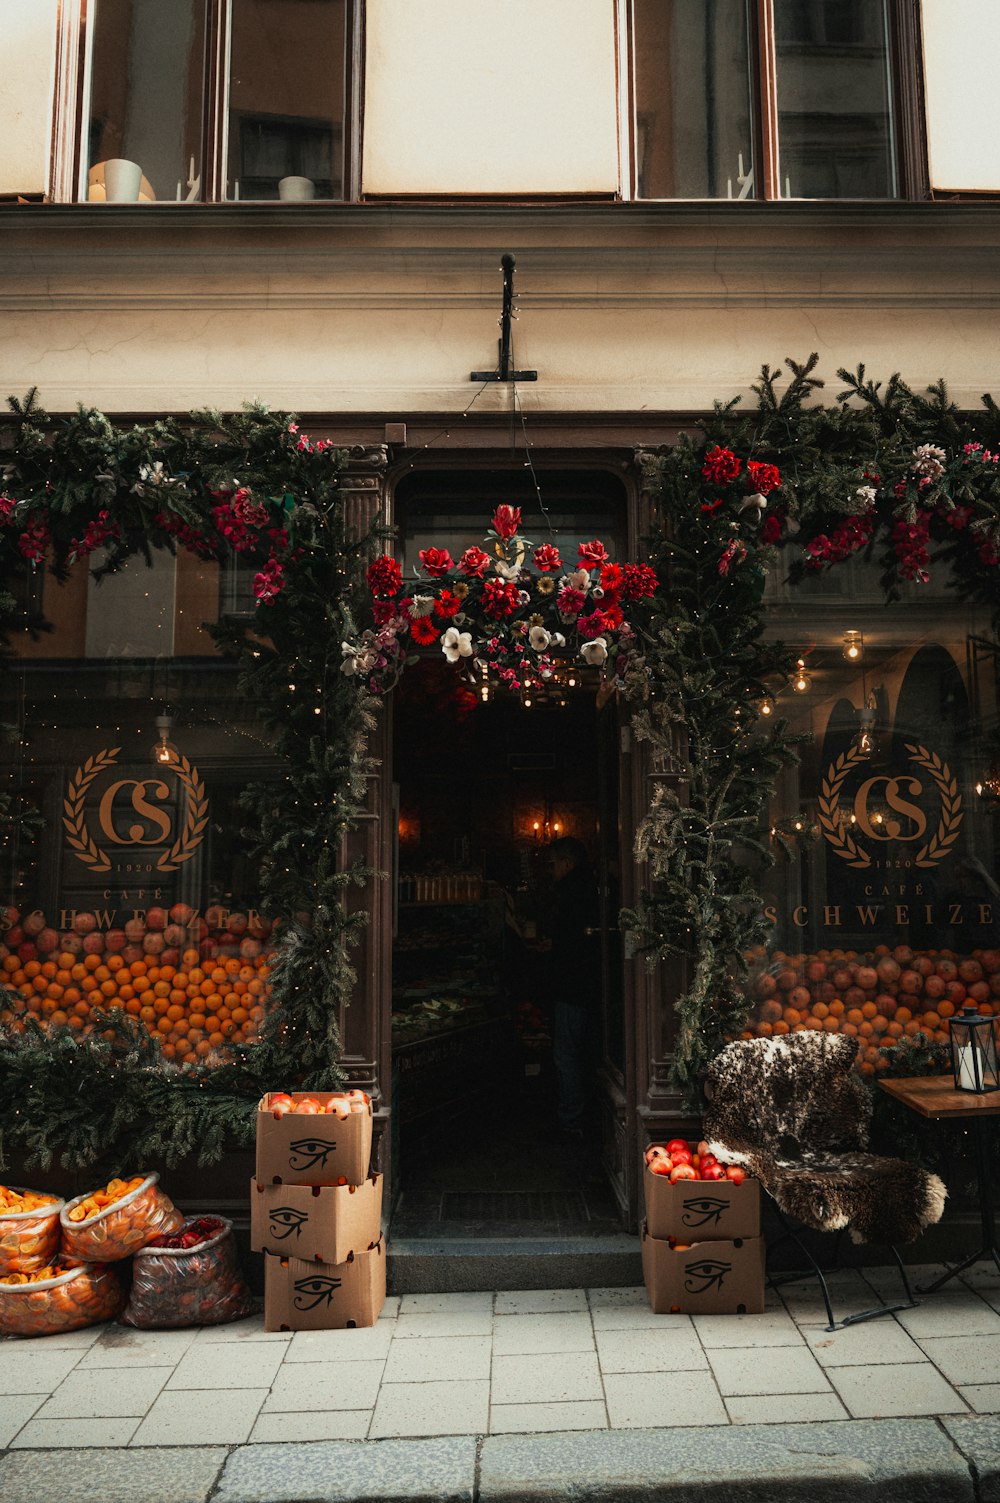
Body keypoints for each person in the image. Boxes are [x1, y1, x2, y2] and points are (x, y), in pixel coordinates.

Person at [542, 837, 600, 1137]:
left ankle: (571, 1119)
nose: (550, 870)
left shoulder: (568, 894)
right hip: (590, 985)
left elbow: (564, 944)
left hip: (571, 986)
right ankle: (581, 1115)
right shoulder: (592, 888)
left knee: (567, 1054)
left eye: (553, 864)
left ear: (567, 862)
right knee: (583, 1052)